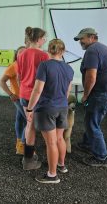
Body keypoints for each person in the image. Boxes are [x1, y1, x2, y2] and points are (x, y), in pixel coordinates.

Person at [26, 39, 73, 184]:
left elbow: (38, 89)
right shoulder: (69, 69)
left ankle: (52, 175)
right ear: (63, 51)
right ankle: (61, 165)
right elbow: (67, 91)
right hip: (62, 107)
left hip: (47, 108)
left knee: (51, 143)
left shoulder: (44, 66)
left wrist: (29, 108)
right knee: (59, 139)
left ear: (49, 50)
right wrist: (61, 103)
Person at [74, 28, 107, 167]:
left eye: (82, 39)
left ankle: (102, 158)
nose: (80, 42)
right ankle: (87, 144)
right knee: (92, 119)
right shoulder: (102, 48)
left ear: (92, 37)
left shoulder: (92, 50)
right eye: (79, 39)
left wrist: (85, 95)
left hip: (102, 93)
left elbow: (91, 76)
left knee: (91, 123)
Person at [17, 27, 49, 170]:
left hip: (24, 93)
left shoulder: (21, 54)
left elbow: (19, 76)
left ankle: (28, 157)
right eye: (43, 38)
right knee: (37, 127)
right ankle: (29, 159)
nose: (44, 41)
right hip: (37, 96)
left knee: (29, 125)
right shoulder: (43, 56)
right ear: (38, 39)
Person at [0, 46, 27, 155]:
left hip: (25, 98)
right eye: (20, 53)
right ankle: (22, 145)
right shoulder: (13, 66)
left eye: (25, 53)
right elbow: (1, 81)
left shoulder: (28, 66)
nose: (23, 55)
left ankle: (19, 143)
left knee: (20, 119)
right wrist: (10, 94)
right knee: (29, 122)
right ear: (16, 55)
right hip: (18, 98)